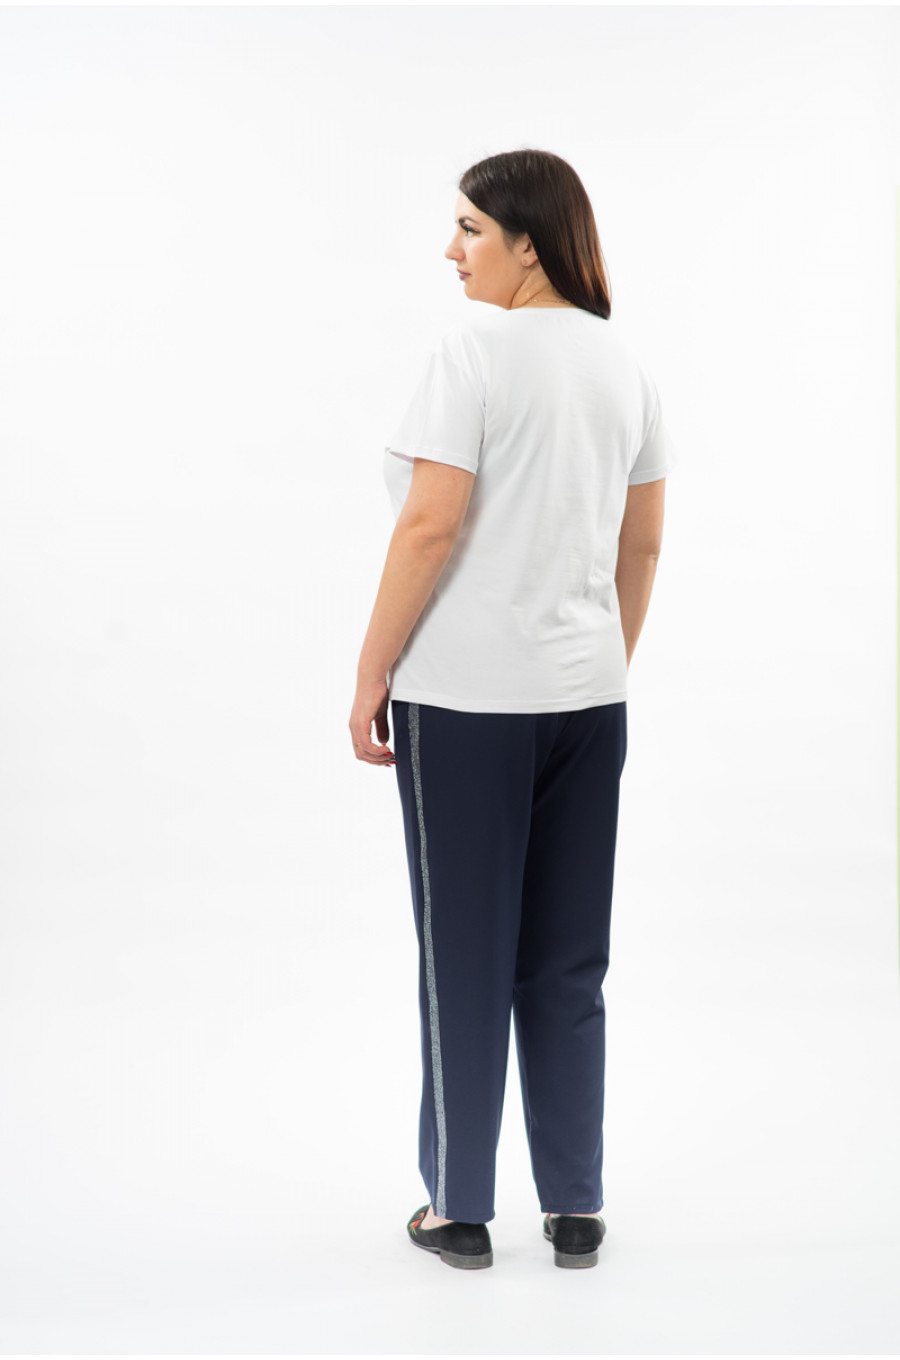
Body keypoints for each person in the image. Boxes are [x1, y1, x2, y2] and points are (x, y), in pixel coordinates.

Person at [349, 148, 678, 1270]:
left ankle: (458, 1207)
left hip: (466, 704)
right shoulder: (626, 369)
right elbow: (643, 545)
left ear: (528, 242)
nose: (451, 250)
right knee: (569, 960)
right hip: (589, 700)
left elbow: (429, 524)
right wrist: (596, 662)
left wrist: (371, 672)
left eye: (470, 229)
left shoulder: (472, 355)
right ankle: (576, 1206)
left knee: (466, 956)